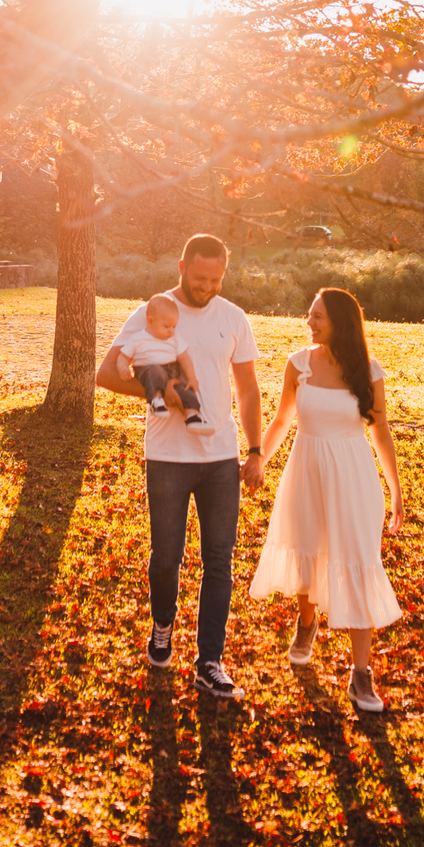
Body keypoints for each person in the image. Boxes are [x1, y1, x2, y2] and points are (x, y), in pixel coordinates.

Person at [96, 234, 263, 700]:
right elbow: (107, 374)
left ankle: (210, 660)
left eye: (215, 279)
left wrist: (254, 450)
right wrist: (160, 394)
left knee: (219, 559)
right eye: (199, 277)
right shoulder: (151, 312)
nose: (206, 287)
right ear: (181, 266)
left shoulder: (233, 318)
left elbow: (248, 390)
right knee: (166, 558)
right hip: (168, 457)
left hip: (221, 458)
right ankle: (163, 627)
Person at [250, 289, 403, 713]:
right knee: (306, 550)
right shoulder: (298, 363)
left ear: (341, 321)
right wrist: (259, 457)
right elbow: (282, 419)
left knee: (357, 562)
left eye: (318, 316)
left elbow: (380, 431)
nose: (309, 322)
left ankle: (360, 674)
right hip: (306, 467)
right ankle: (306, 621)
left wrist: (396, 490)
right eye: (309, 315)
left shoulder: (368, 370)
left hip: (354, 475)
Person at [116, 292, 209, 433]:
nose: (171, 331)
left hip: (171, 372)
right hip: (147, 370)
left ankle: (192, 417)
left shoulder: (174, 339)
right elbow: (123, 357)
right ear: (150, 321)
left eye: (174, 326)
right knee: (155, 371)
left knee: (185, 391)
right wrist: (123, 368)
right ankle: (156, 401)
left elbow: (184, 358)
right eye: (166, 327)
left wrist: (192, 378)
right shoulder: (138, 339)